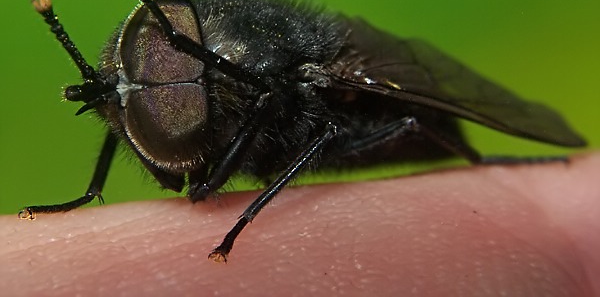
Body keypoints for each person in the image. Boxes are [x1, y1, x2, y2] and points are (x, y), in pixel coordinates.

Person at [1, 152, 598, 296]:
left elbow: (323, 132)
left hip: (362, 113)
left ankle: (491, 160)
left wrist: (240, 228)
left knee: (402, 122)